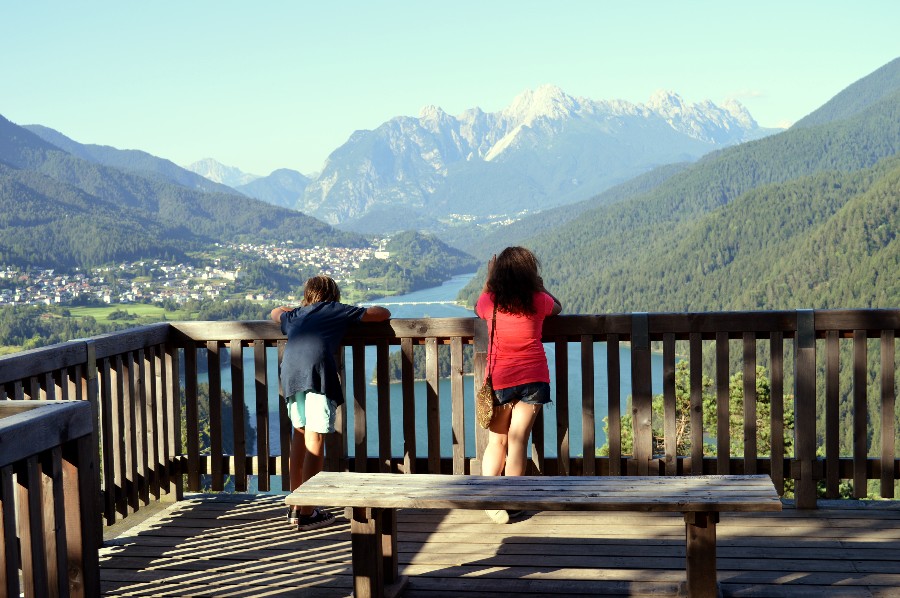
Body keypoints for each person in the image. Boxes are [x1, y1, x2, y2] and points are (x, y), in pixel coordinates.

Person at [271, 274, 391, 531]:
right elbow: (381, 313)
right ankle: (307, 511)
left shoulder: (297, 315)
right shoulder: (337, 310)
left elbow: (274, 312)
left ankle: (294, 504)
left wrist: (294, 309)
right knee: (315, 441)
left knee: (299, 436)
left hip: (290, 374)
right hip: (317, 374)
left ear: (308, 294)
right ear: (333, 294)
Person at [475, 247, 562, 524]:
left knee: (498, 441)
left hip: (501, 379)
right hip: (535, 378)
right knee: (518, 441)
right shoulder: (539, 300)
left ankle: (491, 500)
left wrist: (489, 279)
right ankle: (513, 502)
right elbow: (558, 307)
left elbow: (479, 307)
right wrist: (540, 285)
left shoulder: (491, 301)